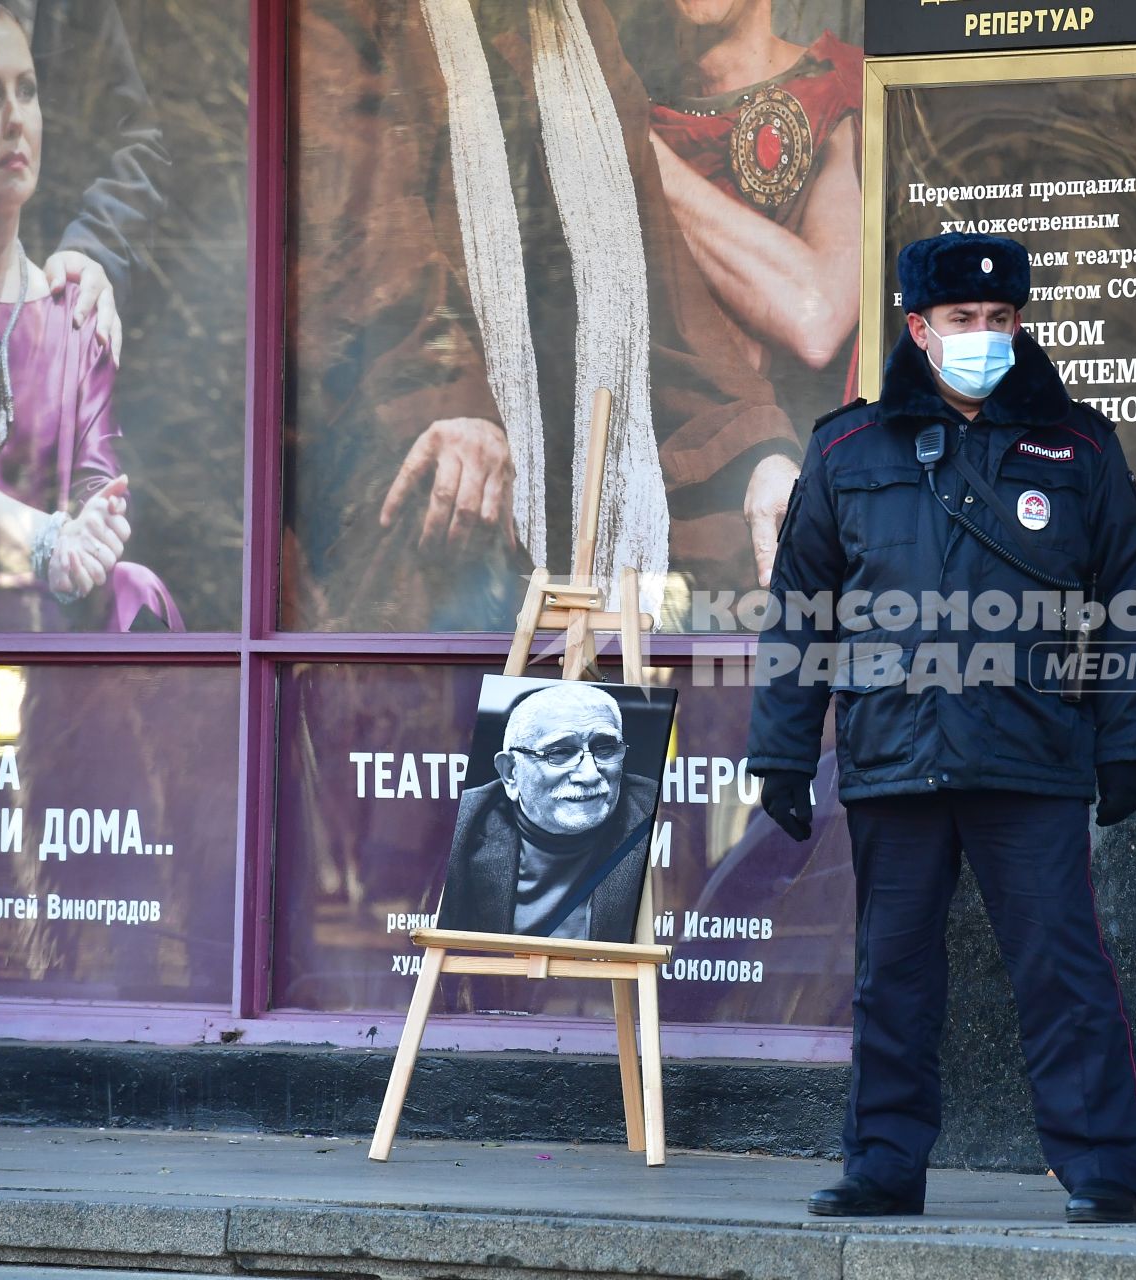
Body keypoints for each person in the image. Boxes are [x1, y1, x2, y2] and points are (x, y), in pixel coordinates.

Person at [747, 233, 1136, 1224]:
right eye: (962, 320)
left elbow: (1128, 604)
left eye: (999, 320)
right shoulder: (848, 448)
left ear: (1018, 325)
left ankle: (1102, 1162)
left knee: (1063, 971)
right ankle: (885, 1161)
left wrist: (1129, 744)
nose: (982, 335)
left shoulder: (1080, 449)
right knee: (893, 977)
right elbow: (799, 608)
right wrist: (781, 747)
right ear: (918, 328)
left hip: (1032, 756)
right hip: (896, 754)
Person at [286, 0, 805, 633]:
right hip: (418, 466)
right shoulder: (356, 16)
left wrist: (758, 454)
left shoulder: (581, 25)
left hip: (583, 504)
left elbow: (658, 292)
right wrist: (447, 406)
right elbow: (357, 246)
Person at [0, 0, 178, 631]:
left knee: (136, 594)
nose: (17, 120)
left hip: (53, 581)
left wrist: (92, 522)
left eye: (30, 92)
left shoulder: (72, 310)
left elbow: (99, 467)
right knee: (10, 615)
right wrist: (44, 543)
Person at [648, 0, 863, 458]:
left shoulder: (841, 89)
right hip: (673, 465)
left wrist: (645, 159)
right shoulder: (619, 102)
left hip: (808, 470)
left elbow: (817, 320)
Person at [437, 683, 658, 944]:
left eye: (605, 749)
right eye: (560, 752)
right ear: (510, 773)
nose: (590, 775)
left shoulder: (655, 814)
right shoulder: (463, 825)